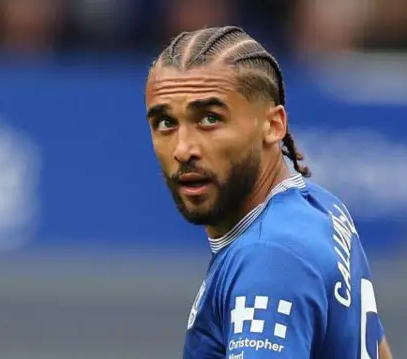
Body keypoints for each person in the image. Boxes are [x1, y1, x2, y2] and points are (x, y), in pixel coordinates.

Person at [144, 26, 392, 359]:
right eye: (165, 123)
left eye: (209, 119)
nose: (183, 149)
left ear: (273, 125)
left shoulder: (270, 261)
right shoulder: (320, 206)